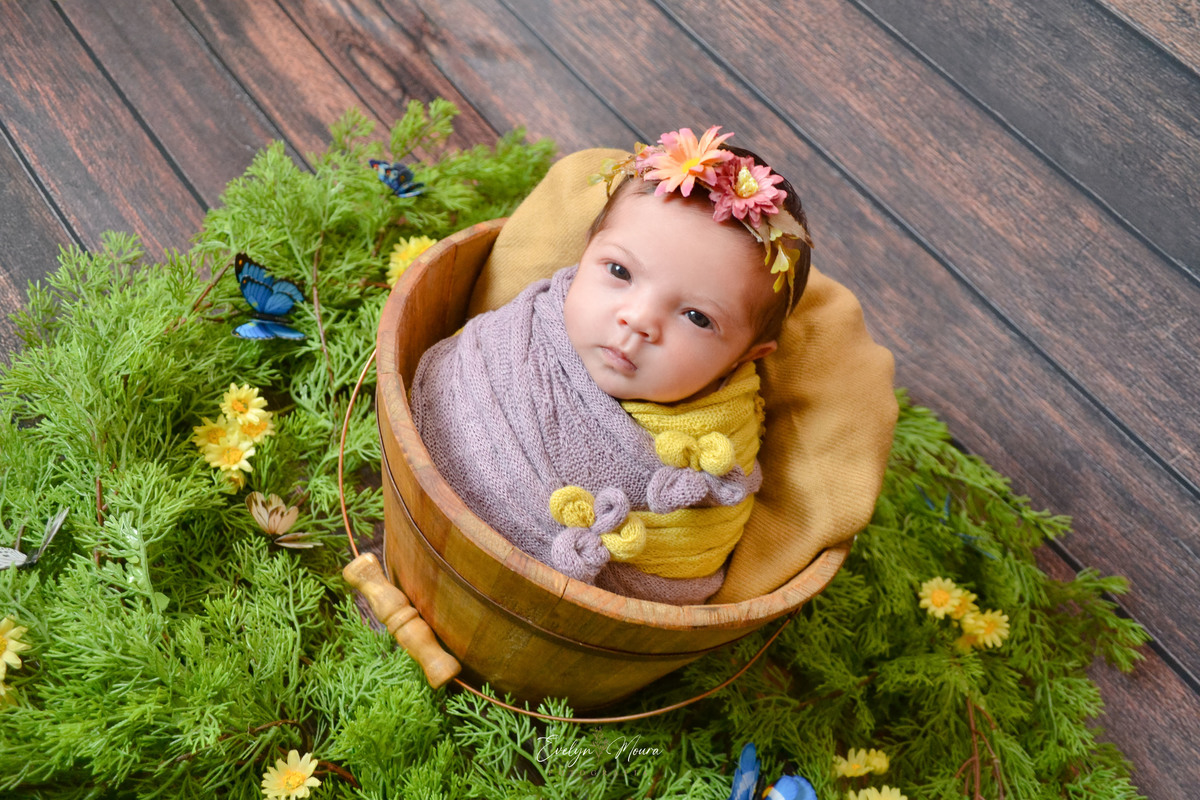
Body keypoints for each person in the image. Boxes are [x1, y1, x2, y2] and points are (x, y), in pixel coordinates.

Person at [410, 126, 813, 604]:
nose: (639, 320)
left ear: (747, 356)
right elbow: (452, 386)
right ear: (585, 252)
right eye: (619, 272)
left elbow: (686, 561)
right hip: (422, 519)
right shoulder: (521, 333)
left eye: (697, 317)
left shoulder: (719, 458)